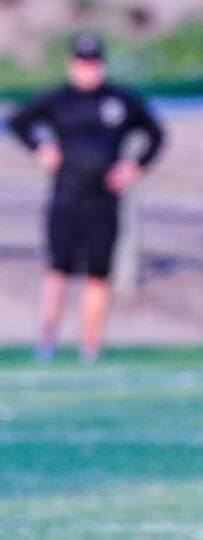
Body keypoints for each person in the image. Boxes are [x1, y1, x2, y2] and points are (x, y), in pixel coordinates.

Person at [7, 33, 164, 362]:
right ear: (71, 64)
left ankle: (89, 349)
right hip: (66, 197)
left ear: (102, 65)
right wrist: (42, 147)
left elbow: (155, 134)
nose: (87, 70)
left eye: (93, 64)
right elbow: (17, 121)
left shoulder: (120, 100)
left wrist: (135, 166)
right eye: (81, 63)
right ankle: (46, 345)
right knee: (58, 270)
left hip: (105, 199)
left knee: (97, 274)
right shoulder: (57, 99)